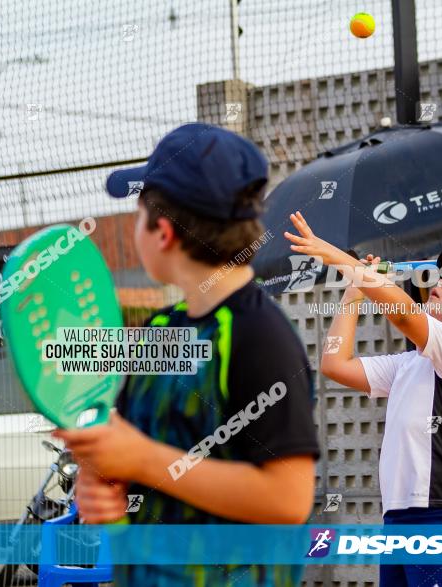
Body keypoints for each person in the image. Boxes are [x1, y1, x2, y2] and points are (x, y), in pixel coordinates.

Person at [55, 123, 320, 587]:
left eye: (136, 216)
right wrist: (104, 474)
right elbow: (136, 444)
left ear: (161, 233)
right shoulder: (163, 328)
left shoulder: (260, 335)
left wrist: (140, 461)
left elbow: (288, 499)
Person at [283, 212, 442, 587]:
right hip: (398, 520)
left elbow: (406, 317)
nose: (441, 280)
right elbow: (334, 363)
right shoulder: (410, 363)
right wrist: (352, 294)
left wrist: (339, 259)